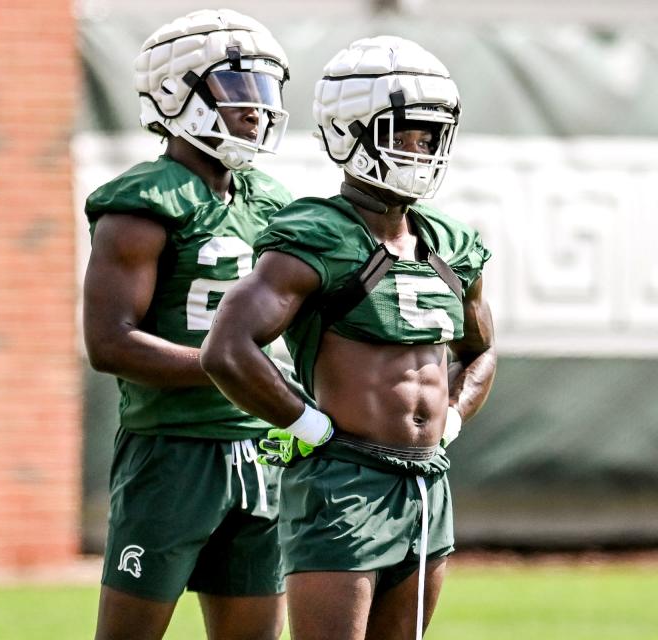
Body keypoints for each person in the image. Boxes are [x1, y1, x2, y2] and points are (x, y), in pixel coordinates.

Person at [201, 36, 497, 640]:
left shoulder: (449, 244)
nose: (422, 150)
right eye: (406, 133)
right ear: (349, 131)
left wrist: (456, 415)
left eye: (431, 135)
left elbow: (481, 349)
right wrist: (306, 424)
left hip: (426, 481)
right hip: (343, 482)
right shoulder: (318, 234)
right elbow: (227, 348)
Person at [83, 9, 293, 640]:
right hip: (173, 449)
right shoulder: (144, 200)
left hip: (264, 447)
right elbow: (109, 342)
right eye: (238, 90)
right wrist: (234, 371)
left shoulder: (272, 202)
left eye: (264, 91)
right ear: (179, 94)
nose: (257, 109)